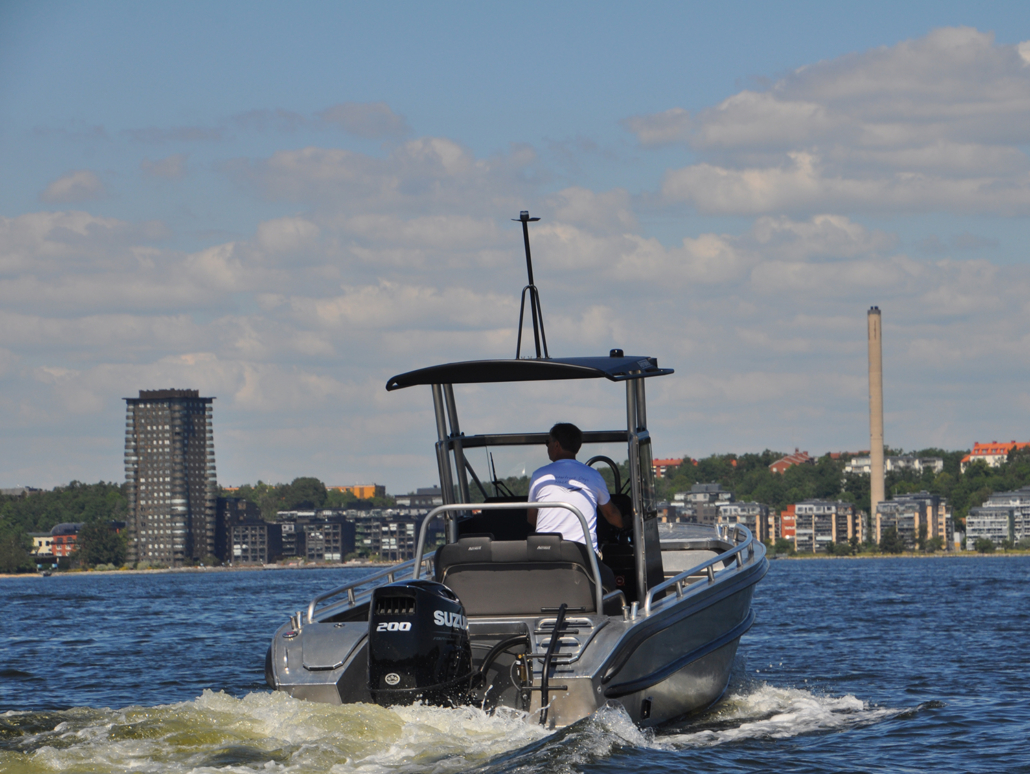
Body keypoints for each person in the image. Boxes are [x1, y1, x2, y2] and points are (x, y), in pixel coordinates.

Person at [527, 422, 624, 555]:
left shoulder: (539, 476)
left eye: (547, 442)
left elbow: (532, 518)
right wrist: (625, 524)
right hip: (583, 556)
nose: (547, 446)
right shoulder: (594, 475)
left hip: (547, 553)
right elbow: (610, 514)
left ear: (556, 445)